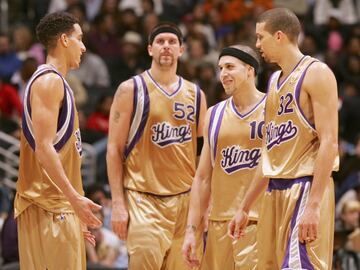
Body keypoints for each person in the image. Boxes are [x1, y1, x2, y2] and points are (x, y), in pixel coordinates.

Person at [228, 8, 339, 270]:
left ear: (279, 36)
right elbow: (270, 152)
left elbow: (329, 143)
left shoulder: (317, 73)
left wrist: (313, 205)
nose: (257, 45)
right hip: (274, 191)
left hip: (305, 187)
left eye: (260, 37)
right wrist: (244, 207)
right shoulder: (274, 80)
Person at [107, 22, 207, 269]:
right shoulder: (130, 89)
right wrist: (118, 204)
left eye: (172, 42)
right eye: (160, 42)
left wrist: (205, 204)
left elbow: (204, 156)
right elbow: (114, 150)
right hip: (144, 200)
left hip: (185, 203)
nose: (166, 46)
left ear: (181, 50)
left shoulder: (196, 95)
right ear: (150, 49)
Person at [14, 12, 102, 270]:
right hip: (49, 207)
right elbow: (44, 149)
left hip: (59, 205)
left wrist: (78, 207)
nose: (83, 46)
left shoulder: (58, 82)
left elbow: (65, 155)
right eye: (79, 39)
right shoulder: (48, 81)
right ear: (64, 40)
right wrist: (74, 200)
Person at [182, 44, 266, 270]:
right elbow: (202, 178)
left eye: (230, 67)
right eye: (220, 68)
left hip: (259, 220)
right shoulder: (214, 114)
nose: (223, 74)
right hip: (219, 223)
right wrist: (191, 230)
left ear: (250, 70)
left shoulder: (272, 108)